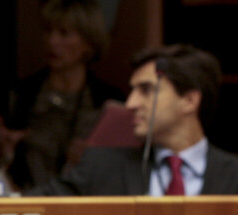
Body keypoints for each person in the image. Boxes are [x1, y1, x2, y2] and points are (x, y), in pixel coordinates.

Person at [30, 44, 238, 196]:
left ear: (189, 101)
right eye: (132, 91)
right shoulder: (102, 167)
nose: (130, 104)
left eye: (146, 90)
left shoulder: (233, 174)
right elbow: (36, 208)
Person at [1, 0, 123, 192]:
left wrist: (96, 158)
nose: (52, 41)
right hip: (30, 200)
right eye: (48, 31)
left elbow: (123, 167)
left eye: (64, 34)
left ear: (88, 43)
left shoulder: (107, 99)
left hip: (86, 206)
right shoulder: (24, 93)